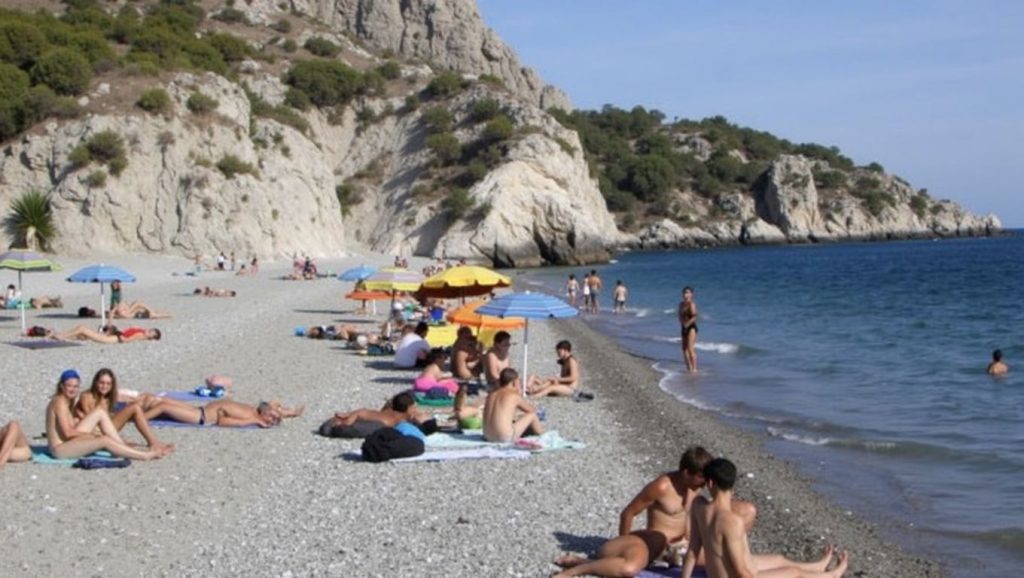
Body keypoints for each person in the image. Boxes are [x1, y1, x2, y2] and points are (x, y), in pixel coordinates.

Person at [682, 458, 847, 578]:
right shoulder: (732, 522)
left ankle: (818, 566)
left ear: (710, 483)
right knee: (793, 573)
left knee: (779, 559)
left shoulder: (698, 506)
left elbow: (693, 551)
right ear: (732, 484)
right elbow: (741, 572)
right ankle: (832, 576)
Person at [46, 369, 170, 461]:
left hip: (68, 441)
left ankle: (121, 447)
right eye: (69, 386)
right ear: (61, 386)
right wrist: (92, 436)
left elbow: (70, 427)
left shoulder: (67, 401)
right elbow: (68, 433)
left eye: (75, 386)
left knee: (99, 413)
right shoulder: (60, 402)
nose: (72, 389)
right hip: (60, 449)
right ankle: (144, 456)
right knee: (104, 440)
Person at [74, 368, 172, 452]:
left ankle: (153, 442)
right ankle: (153, 443)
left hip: (106, 427)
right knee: (135, 408)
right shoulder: (87, 396)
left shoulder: (106, 398)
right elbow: (91, 421)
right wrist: (119, 440)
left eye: (108, 384)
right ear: (95, 383)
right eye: (102, 383)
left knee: (135, 407)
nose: (105, 386)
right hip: (92, 430)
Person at [138, 396, 302, 428]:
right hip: (198, 409)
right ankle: (129, 409)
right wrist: (289, 412)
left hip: (199, 417)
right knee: (154, 400)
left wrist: (256, 422)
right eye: (274, 413)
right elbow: (273, 401)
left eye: (273, 418)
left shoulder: (251, 416)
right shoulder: (256, 409)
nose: (273, 413)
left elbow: (222, 422)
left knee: (162, 407)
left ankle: (137, 419)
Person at [482, 368, 544, 442]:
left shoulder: (490, 395)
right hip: (503, 437)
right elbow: (531, 410)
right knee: (532, 415)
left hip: (487, 436)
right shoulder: (513, 395)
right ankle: (542, 436)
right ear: (514, 382)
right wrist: (519, 393)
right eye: (518, 382)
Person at [328, 392, 424, 429]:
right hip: (361, 414)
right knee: (348, 422)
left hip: (366, 412)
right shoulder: (399, 419)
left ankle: (346, 415)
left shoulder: (393, 412)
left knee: (362, 411)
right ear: (408, 408)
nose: (415, 409)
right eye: (413, 407)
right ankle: (343, 419)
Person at [55, 325, 161, 344]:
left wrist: (117, 333)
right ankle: (61, 335)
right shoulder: (141, 332)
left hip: (114, 339)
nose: (150, 331)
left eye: (152, 333)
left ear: (151, 337)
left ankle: (61, 336)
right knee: (83, 334)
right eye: (152, 330)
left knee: (82, 329)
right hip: (113, 336)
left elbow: (125, 339)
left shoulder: (141, 335)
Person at [679, 286, 699, 373]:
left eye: (687, 292)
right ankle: (689, 368)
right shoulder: (681, 304)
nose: (685, 294)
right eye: (684, 292)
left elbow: (695, 316)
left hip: (691, 328)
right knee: (684, 349)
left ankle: (694, 369)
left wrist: (687, 324)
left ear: (691, 294)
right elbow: (679, 314)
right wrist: (681, 321)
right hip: (683, 327)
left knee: (690, 349)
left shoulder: (692, 304)